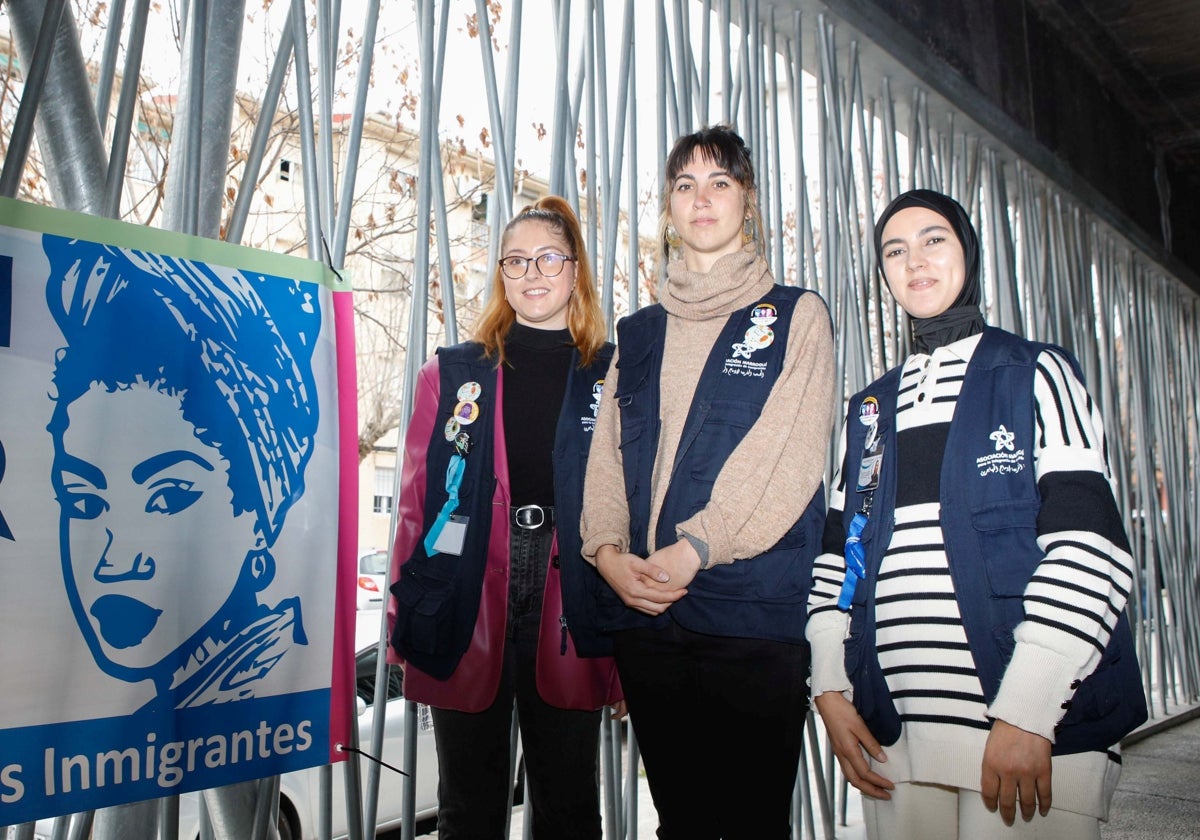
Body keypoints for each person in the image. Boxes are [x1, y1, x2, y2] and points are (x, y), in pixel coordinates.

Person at [807, 189, 1147, 839]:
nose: (916, 261)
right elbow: (837, 559)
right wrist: (828, 685)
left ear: (968, 250)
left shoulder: (1036, 374)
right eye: (895, 249)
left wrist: (1028, 709)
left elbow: (1091, 549)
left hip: (1033, 735)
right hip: (895, 735)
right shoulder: (869, 410)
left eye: (934, 239)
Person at [580, 124, 836, 839]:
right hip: (648, 619)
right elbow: (605, 458)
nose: (701, 199)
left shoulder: (794, 316)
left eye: (720, 182)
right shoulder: (638, 332)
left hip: (750, 617)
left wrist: (695, 547)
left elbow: (787, 458)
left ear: (747, 202)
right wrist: (607, 556)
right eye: (684, 185)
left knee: (753, 825)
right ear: (667, 207)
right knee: (681, 825)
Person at [387, 196, 621, 840]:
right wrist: (401, 620)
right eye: (515, 260)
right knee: (467, 808)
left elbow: (628, 508)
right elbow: (416, 504)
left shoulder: (610, 375)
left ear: (575, 272)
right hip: (465, 594)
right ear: (500, 273)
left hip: (571, 593)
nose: (532, 272)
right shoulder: (455, 373)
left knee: (570, 807)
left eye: (549, 257)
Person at [44, 234, 321, 710]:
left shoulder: (277, 694)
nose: (114, 560)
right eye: (85, 502)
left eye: (168, 496)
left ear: (261, 514)